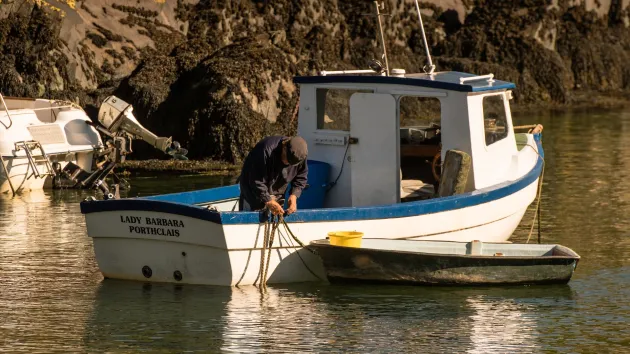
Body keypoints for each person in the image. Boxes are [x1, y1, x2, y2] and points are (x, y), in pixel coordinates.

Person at [238, 136, 308, 215]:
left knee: (276, 215)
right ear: (284, 147)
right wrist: (268, 200)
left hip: (278, 192)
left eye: (290, 163)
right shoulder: (264, 150)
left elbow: (301, 177)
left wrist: (294, 195)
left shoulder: (300, 156)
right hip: (252, 191)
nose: (286, 163)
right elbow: (256, 181)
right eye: (286, 159)